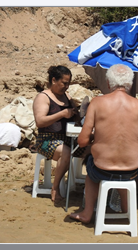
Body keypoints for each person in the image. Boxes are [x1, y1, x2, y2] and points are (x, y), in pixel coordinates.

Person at [69, 64, 138, 224]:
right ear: (129, 84)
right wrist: (130, 152)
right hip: (132, 171)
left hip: (102, 169)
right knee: (125, 174)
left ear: (108, 83)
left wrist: (96, 139)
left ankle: (87, 212)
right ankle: (126, 210)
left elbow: (82, 141)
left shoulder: (97, 103)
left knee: (91, 169)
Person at [33, 65, 86, 203]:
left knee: (93, 148)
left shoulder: (66, 96)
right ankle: (55, 188)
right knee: (66, 152)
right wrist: (62, 113)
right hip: (47, 140)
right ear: (54, 80)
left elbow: (75, 115)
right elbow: (40, 121)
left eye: (68, 83)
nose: (67, 86)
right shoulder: (43, 97)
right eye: (64, 83)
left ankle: (91, 186)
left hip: (68, 139)